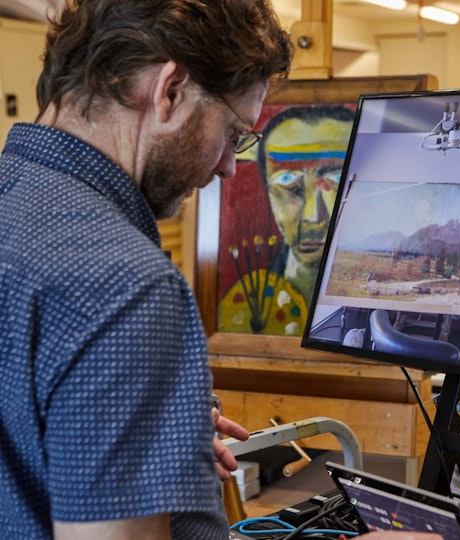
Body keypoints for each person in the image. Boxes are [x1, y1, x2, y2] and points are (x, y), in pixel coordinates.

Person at [0, 0, 292, 538]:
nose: (229, 166)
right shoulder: (125, 284)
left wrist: (140, 434)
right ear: (171, 91)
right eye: (233, 132)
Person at [217, 104, 354, 336]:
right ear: (268, 191)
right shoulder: (243, 306)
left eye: (338, 179)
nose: (313, 216)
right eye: (288, 182)